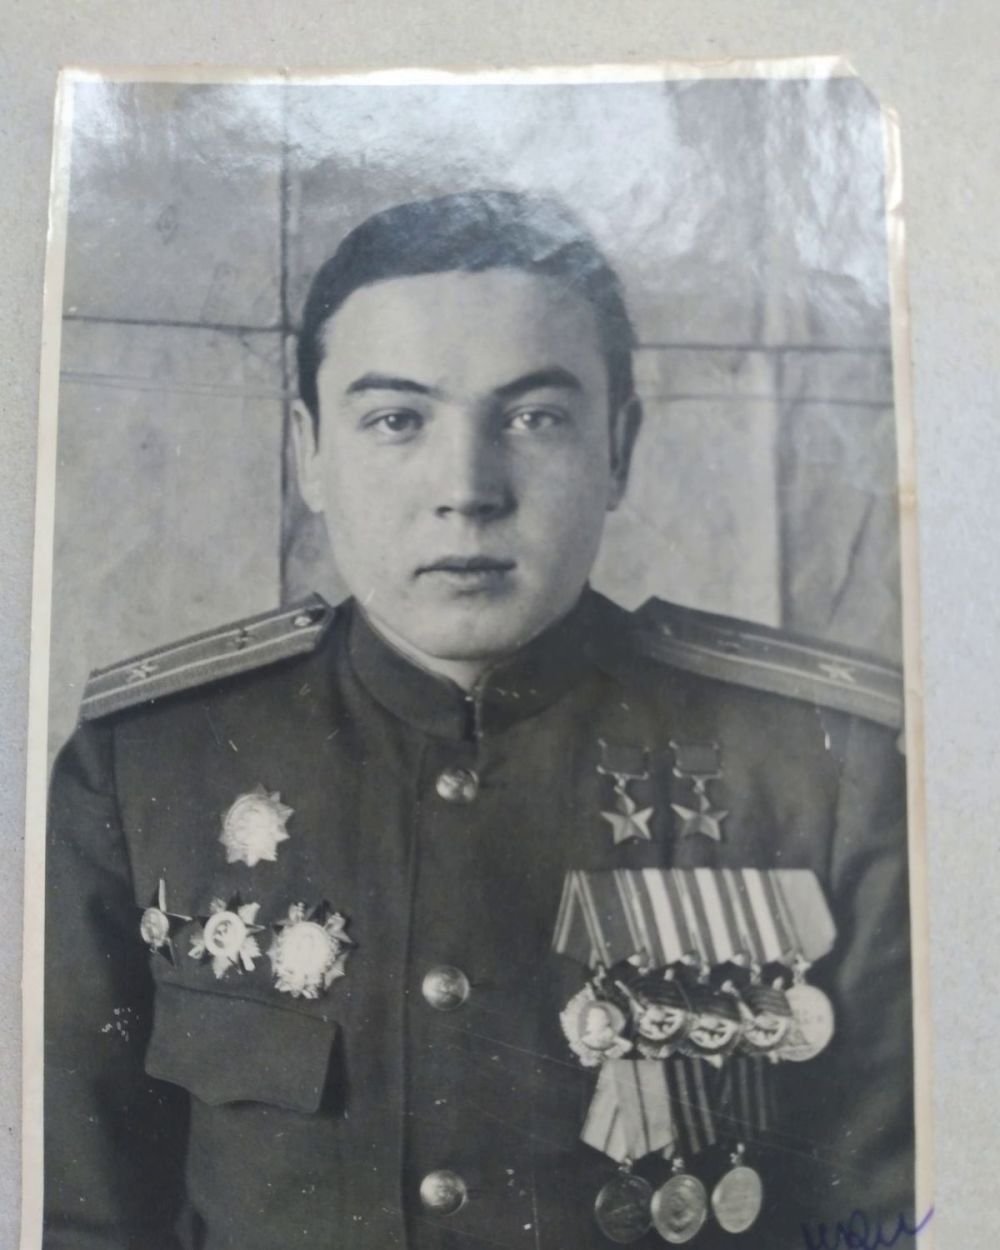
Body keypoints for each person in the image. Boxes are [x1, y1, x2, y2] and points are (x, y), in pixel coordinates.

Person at [44, 191, 914, 1250]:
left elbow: (905, 1213)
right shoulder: (147, 766)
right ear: (310, 451)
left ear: (619, 447)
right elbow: (74, 1214)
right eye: (396, 419)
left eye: (534, 417)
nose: (466, 489)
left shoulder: (827, 770)